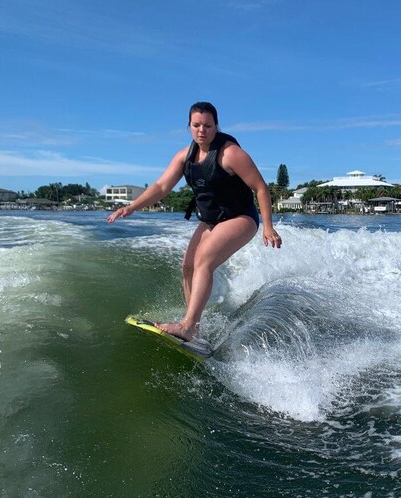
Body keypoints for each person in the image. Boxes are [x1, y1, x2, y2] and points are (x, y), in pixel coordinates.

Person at [107, 101, 282, 342]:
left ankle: (188, 325)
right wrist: (131, 207)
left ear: (216, 126)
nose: (202, 130)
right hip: (211, 220)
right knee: (187, 266)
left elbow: (260, 187)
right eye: (196, 125)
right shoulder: (184, 157)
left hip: (241, 217)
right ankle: (194, 325)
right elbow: (160, 187)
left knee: (203, 260)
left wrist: (268, 226)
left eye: (208, 126)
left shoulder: (230, 153)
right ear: (189, 126)